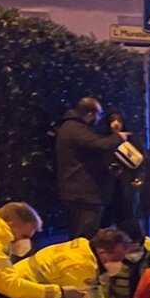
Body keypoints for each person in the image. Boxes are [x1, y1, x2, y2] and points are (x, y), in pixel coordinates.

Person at [54, 97, 132, 239]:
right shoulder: (76, 128)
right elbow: (98, 144)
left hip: (77, 192)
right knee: (85, 237)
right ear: (90, 114)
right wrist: (118, 138)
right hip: (83, 194)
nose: (100, 119)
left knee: (80, 235)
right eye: (99, 115)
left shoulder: (69, 127)